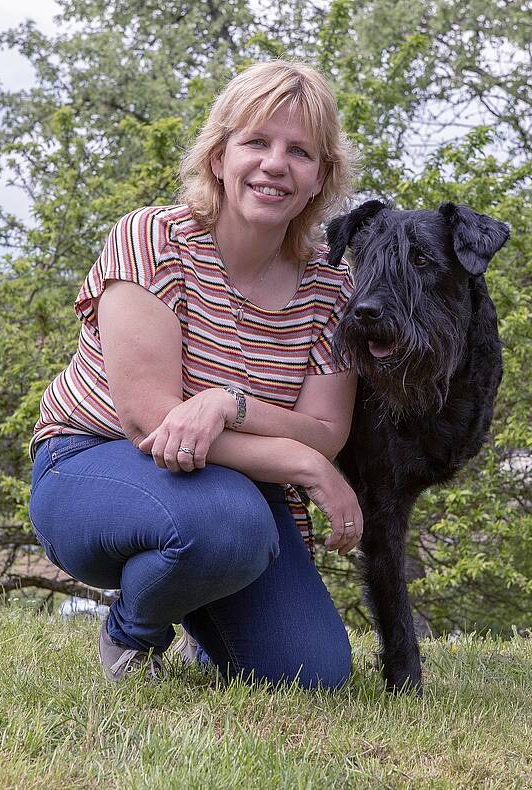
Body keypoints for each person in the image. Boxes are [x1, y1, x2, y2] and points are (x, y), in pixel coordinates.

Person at [28, 60, 363, 690]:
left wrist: (226, 405)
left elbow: (324, 428)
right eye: (256, 142)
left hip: (242, 492)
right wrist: (303, 465)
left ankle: (207, 629)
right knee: (228, 525)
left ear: (321, 178)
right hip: (96, 461)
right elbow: (150, 419)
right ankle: (134, 634)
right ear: (218, 156)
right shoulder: (152, 239)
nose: (275, 164)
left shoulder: (333, 284)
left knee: (311, 674)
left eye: (300, 151)